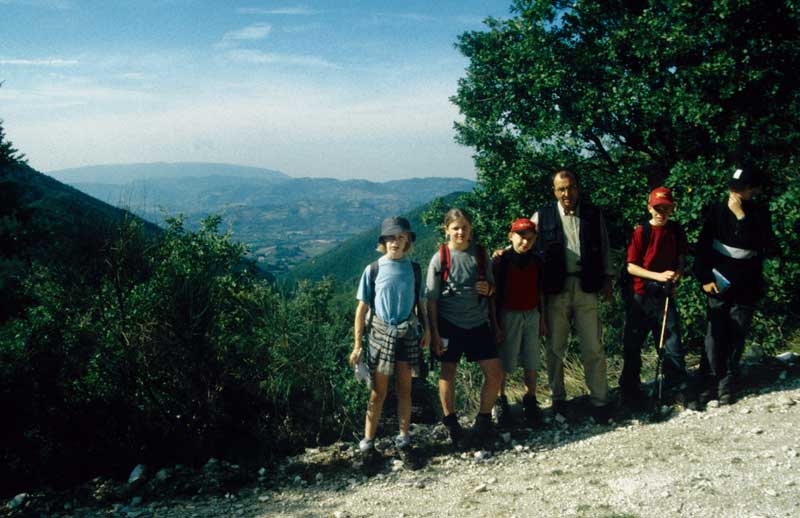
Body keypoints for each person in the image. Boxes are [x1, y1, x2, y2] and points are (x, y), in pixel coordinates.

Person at [532, 169, 613, 423]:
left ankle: (600, 400)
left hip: (586, 287)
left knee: (593, 346)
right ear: (554, 191)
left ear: (577, 188)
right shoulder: (541, 216)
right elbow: (525, 244)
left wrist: (607, 279)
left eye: (571, 187)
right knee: (555, 348)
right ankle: (558, 399)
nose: (567, 193)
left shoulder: (593, 214)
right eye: (561, 189)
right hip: (555, 290)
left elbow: (605, 247)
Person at [350, 216, 430, 468]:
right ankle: (367, 445)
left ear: (408, 241)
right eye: (391, 237)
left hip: (406, 335)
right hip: (380, 336)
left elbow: (421, 304)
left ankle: (404, 441)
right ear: (383, 242)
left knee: (405, 391)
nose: (395, 242)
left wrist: (427, 329)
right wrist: (357, 344)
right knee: (378, 393)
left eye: (401, 237)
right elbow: (361, 310)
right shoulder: (373, 269)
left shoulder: (414, 269)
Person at [694, 166, 774, 405]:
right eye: (734, 188)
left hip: (746, 282)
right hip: (719, 278)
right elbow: (702, 246)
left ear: (753, 190)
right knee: (714, 332)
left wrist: (741, 216)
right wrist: (704, 278)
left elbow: (765, 243)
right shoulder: (716, 211)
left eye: (742, 189)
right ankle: (709, 380)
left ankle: (727, 382)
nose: (736, 193)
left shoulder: (760, 213)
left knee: (736, 331)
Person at [426, 208, 503, 447]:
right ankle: (452, 424)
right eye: (455, 228)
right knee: (448, 371)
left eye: (464, 227)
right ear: (446, 229)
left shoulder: (480, 254)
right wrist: (435, 334)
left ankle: (483, 420)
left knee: (495, 373)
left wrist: (489, 291)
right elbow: (431, 300)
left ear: (470, 228)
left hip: (478, 323)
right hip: (449, 325)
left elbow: (492, 289)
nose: (460, 232)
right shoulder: (440, 258)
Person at [619, 187, 690, 409]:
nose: (662, 212)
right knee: (633, 346)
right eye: (658, 208)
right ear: (650, 207)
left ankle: (676, 388)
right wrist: (658, 276)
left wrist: (676, 275)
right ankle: (629, 392)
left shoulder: (675, 231)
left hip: (665, 295)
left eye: (666, 208)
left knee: (672, 344)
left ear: (672, 209)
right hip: (641, 296)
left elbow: (681, 258)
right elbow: (631, 267)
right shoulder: (641, 232)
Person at [491, 217, 547, 427]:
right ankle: (500, 400)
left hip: (532, 313)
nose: (525, 242)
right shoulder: (501, 261)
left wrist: (543, 319)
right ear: (511, 236)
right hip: (509, 314)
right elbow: (493, 295)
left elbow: (540, 291)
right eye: (521, 237)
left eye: (530, 239)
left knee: (531, 360)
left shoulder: (537, 260)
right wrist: (495, 323)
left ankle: (530, 399)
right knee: (505, 360)